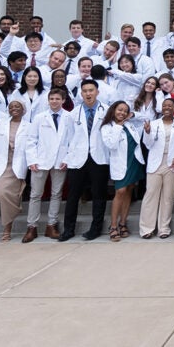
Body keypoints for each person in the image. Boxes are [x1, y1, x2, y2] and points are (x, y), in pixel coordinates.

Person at [22, 87, 77, 243]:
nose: (54, 101)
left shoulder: (69, 117)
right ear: (48, 100)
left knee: (56, 193)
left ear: (63, 100)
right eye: (52, 99)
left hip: (60, 161)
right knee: (35, 194)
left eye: (57, 99)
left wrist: (68, 158)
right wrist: (32, 160)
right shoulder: (40, 117)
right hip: (41, 160)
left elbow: (73, 140)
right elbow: (31, 140)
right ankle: (31, 226)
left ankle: (51, 225)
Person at [59, 80, 112, 241]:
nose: (88, 94)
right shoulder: (74, 113)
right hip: (78, 158)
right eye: (85, 91)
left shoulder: (107, 111)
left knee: (98, 194)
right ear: (81, 93)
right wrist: (66, 158)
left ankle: (95, 228)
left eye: (91, 90)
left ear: (97, 92)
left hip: (99, 158)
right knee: (73, 195)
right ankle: (68, 229)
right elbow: (67, 138)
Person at [139, 98, 174, 239]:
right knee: (150, 195)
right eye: (164, 105)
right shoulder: (153, 124)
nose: (167, 108)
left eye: (170, 105)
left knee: (168, 197)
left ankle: (164, 228)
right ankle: (147, 228)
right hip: (155, 163)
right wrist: (147, 132)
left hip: (172, 163)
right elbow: (148, 144)